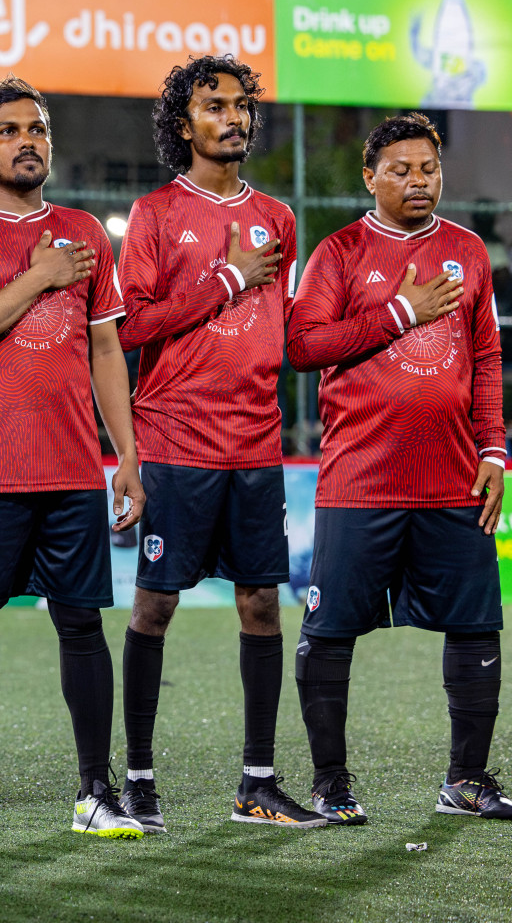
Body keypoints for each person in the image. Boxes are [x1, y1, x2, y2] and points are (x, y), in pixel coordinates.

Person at [0, 76, 146, 841]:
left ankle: (94, 793)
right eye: (10, 130)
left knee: (83, 627)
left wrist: (128, 456)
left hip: (73, 470)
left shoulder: (84, 229)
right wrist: (39, 276)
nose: (29, 141)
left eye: (38, 128)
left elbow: (107, 350)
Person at [288, 113, 512, 823]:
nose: (418, 182)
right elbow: (303, 345)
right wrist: (398, 313)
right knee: (329, 632)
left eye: (429, 170)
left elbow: (484, 360)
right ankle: (331, 784)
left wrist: (492, 448)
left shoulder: (469, 251)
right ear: (371, 176)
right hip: (361, 481)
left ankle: (466, 781)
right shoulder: (341, 251)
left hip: (454, 478)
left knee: (478, 626)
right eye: (401, 170)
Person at [114, 55, 324, 832]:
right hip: (176, 439)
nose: (233, 119)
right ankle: (138, 780)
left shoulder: (279, 215)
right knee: (156, 605)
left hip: (256, 443)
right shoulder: (156, 214)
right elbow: (130, 327)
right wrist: (227, 281)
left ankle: (257, 785)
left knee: (263, 604)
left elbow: (290, 329)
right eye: (214, 107)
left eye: (241, 107)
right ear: (182, 124)